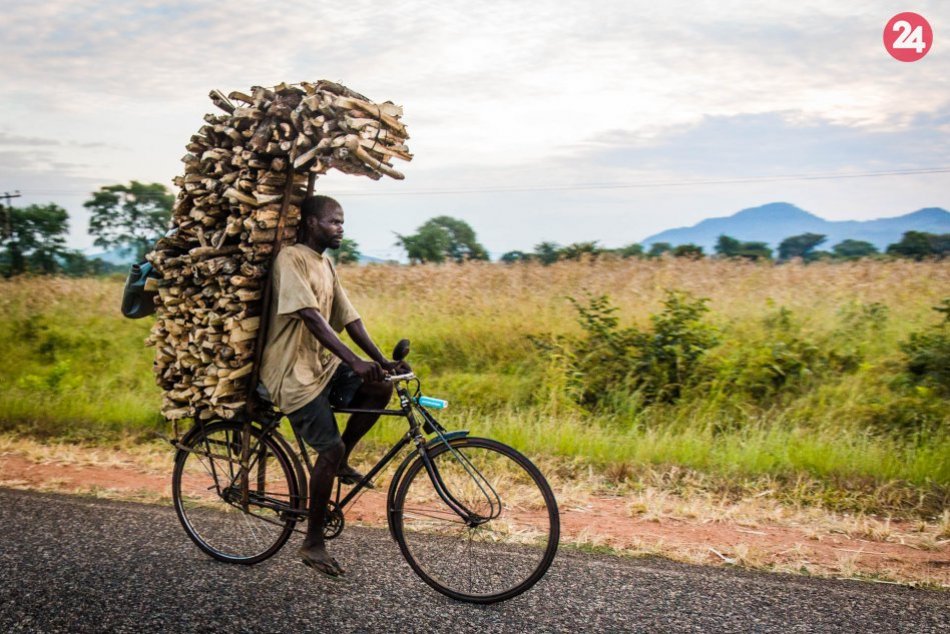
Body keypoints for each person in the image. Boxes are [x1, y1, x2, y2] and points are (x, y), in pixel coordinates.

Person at [259, 195, 407, 578]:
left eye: (342, 222)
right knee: (328, 447)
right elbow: (311, 317)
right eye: (332, 222)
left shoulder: (325, 263)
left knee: (379, 388)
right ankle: (312, 542)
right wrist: (353, 361)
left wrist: (380, 361)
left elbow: (349, 318)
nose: (340, 227)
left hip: (321, 367)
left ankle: (340, 463)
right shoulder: (290, 258)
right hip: (292, 374)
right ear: (310, 223)